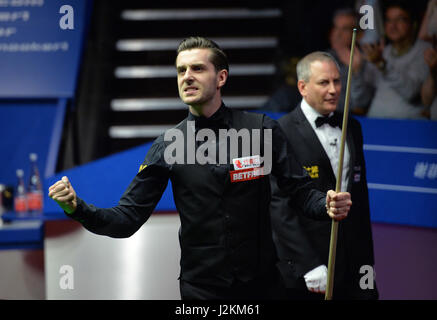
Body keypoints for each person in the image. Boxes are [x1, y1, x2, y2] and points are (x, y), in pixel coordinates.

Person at [48, 37, 352, 300]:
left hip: (263, 287)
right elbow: (126, 219)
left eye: (197, 68)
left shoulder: (261, 130)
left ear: (221, 77)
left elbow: (300, 192)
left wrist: (325, 203)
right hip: (201, 292)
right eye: (181, 70)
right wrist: (77, 208)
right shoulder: (168, 145)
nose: (187, 77)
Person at [270, 51, 378, 300]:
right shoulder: (280, 132)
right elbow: (279, 206)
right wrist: (307, 263)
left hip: (354, 262)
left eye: (337, 81)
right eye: (323, 83)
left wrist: (367, 266)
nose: (333, 90)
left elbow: (360, 200)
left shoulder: (353, 126)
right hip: (310, 267)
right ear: (302, 87)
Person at [351, 1, 431, 119]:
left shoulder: (424, 51)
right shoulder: (381, 52)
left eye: (400, 20)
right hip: (374, 122)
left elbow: (411, 92)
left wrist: (382, 64)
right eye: (388, 20)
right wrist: (356, 72)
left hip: (407, 125)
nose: (393, 26)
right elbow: (361, 100)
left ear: (413, 24)